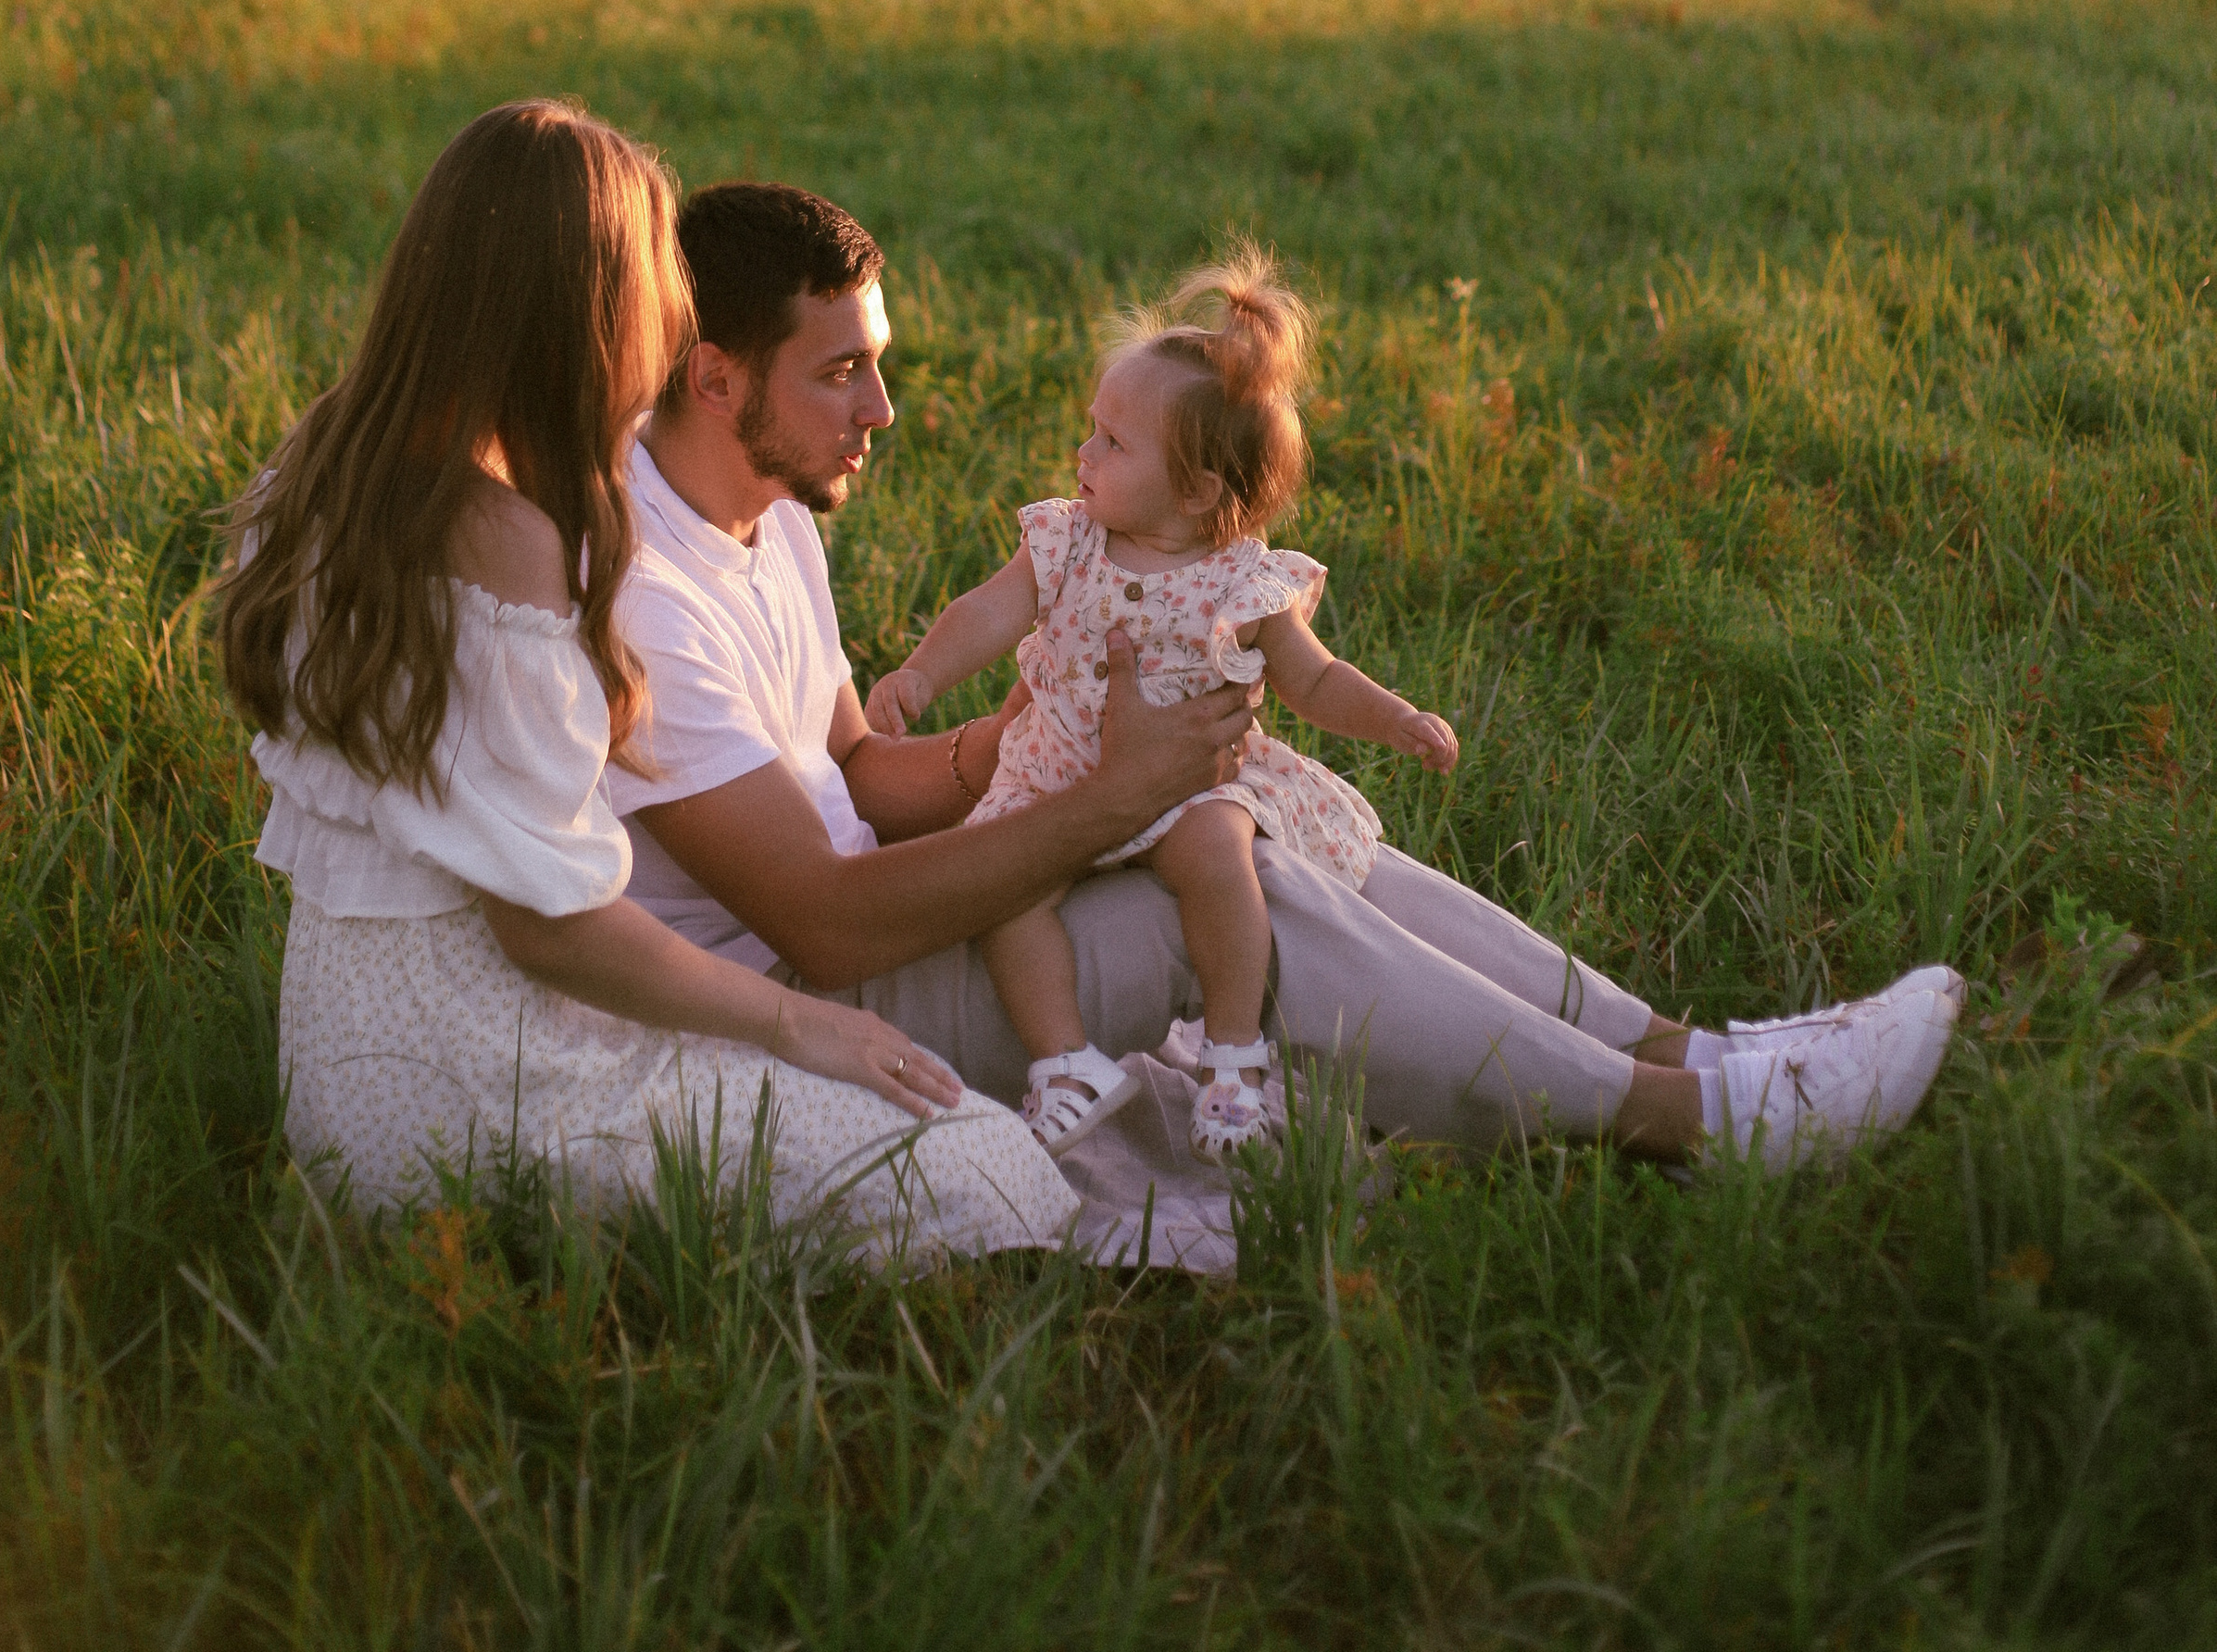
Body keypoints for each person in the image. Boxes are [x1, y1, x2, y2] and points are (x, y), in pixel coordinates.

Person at [614, 181, 1965, 1176]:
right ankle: (1707, 1132)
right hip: (803, 1010)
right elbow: (829, 922)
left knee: (1272, 825)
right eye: (844, 371)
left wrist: (1008, 742)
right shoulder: (643, 596)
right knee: (1219, 877)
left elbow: (855, 773)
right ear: (720, 380)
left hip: (891, 913)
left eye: (881, 363)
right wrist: (1106, 799)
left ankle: (1699, 1052)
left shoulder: (768, 510)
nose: (884, 412)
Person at [218, 102, 1074, 1262]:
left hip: (344, 1063)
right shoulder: (504, 537)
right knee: (992, 1176)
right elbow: (550, 932)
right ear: (582, 311)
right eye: (650, 282)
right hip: (498, 1080)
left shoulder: (324, 462)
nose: (673, 318)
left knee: (951, 1149)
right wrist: (796, 1025)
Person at [865, 246, 1462, 1157]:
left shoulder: (1240, 584)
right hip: (1057, 768)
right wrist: (920, 673)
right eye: (1090, 429)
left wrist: (1395, 718)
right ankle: (1064, 1061)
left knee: (1218, 857)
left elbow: (1314, 679)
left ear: (1196, 491)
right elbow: (987, 611)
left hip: (1187, 778)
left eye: (1110, 443)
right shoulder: (1065, 541)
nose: (1082, 454)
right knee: (1002, 893)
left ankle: (1233, 1058)